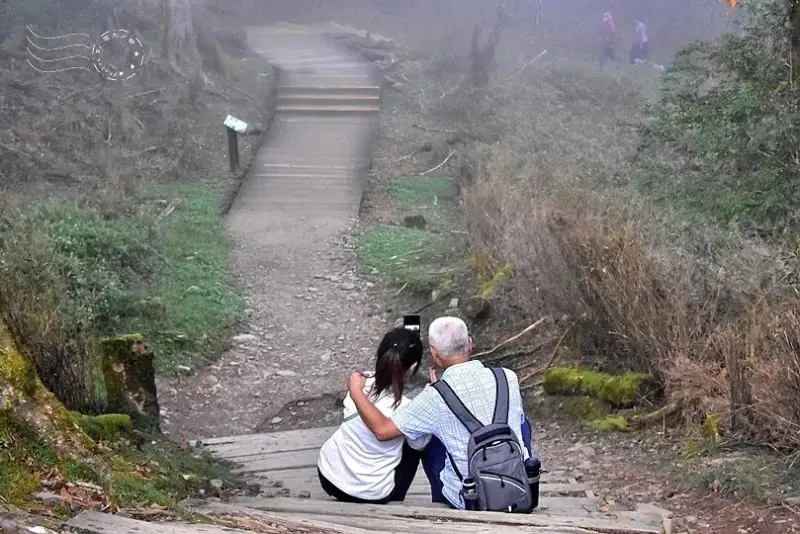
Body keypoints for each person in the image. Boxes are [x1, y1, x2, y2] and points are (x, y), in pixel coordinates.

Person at [346, 316, 535, 510]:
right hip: (518, 490)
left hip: (471, 500)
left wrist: (356, 393)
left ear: (435, 355)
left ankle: (443, 500)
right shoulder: (508, 377)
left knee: (426, 437)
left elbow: (382, 430)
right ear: (470, 344)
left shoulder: (434, 397)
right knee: (523, 423)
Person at [317, 328, 426, 504]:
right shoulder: (407, 409)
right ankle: (397, 499)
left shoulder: (359, 382)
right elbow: (418, 443)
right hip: (372, 493)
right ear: (413, 367)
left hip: (328, 476)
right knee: (418, 441)